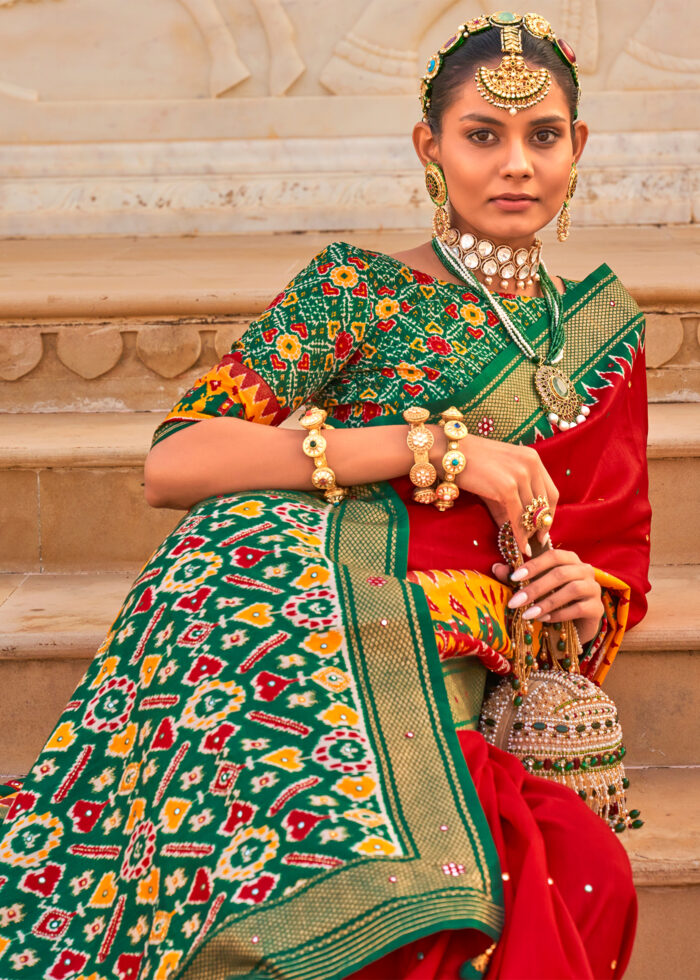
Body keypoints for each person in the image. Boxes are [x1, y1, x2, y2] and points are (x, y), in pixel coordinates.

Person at [0, 11, 650, 979]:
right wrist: (433, 447)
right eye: (483, 135)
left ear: (577, 146)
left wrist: (584, 593)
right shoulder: (356, 289)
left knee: (563, 864)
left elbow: (614, 544)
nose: (516, 164)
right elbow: (176, 459)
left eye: (541, 135)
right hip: (288, 601)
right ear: (430, 148)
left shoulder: (606, 334)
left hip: (452, 643)